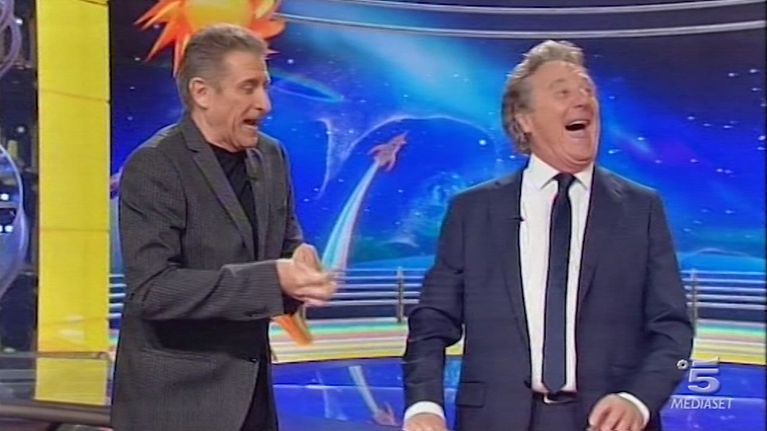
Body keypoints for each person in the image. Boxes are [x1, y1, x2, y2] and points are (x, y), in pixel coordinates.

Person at [402, 40, 693, 431]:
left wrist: (637, 400)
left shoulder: (641, 208)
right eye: (563, 92)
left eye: (588, 91)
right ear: (524, 119)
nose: (583, 100)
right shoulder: (472, 211)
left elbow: (672, 327)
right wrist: (424, 406)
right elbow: (432, 322)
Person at [111, 24, 336, 431]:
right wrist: (273, 278)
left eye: (264, 86)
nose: (265, 104)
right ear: (202, 93)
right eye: (248, 88)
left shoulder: (272, 157)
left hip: (251, 394)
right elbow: (153, 292)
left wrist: (300, 266)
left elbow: (285, 245)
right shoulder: (156, 165)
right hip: (177, 403)